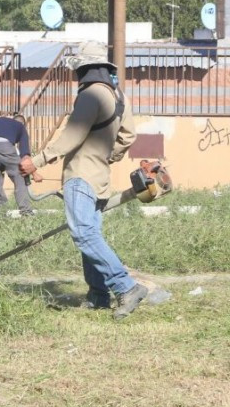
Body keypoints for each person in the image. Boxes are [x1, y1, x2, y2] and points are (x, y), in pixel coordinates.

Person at [19, 41, 148, 320]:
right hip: (100, 177)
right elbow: (128, 136)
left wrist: (37, 160)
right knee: (91, 233)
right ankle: (98, 296)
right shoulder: (118, 96)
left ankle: (126, 287)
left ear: (84, 68)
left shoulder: (91, 95)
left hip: (80, 176)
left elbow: (72, 136)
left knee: (84, 234)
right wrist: (106, 156)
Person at [0, 113, 41, 216]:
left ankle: (0, 213)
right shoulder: (21, 127)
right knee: (20, 177)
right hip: (6, 146)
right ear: (23, 123)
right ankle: (26, 212)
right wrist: (34, 174)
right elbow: (25, 156)